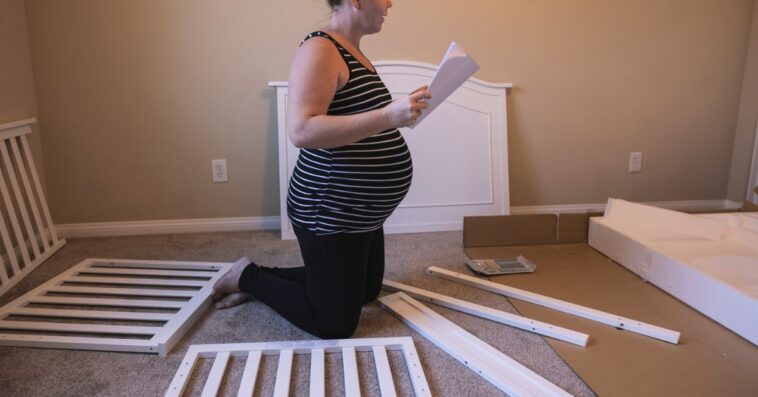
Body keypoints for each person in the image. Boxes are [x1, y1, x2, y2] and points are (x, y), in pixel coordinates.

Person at [211, 0, 430, 339]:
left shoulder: (353, 51)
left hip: (363, 213)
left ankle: (276, 280)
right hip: (330, 209)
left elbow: (358, 122)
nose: (390, 3)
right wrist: (390, 115)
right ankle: (246, 276)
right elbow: (302, 130)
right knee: (334, 323)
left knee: (367, 292)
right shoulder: (320, 48)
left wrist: (401, 110)